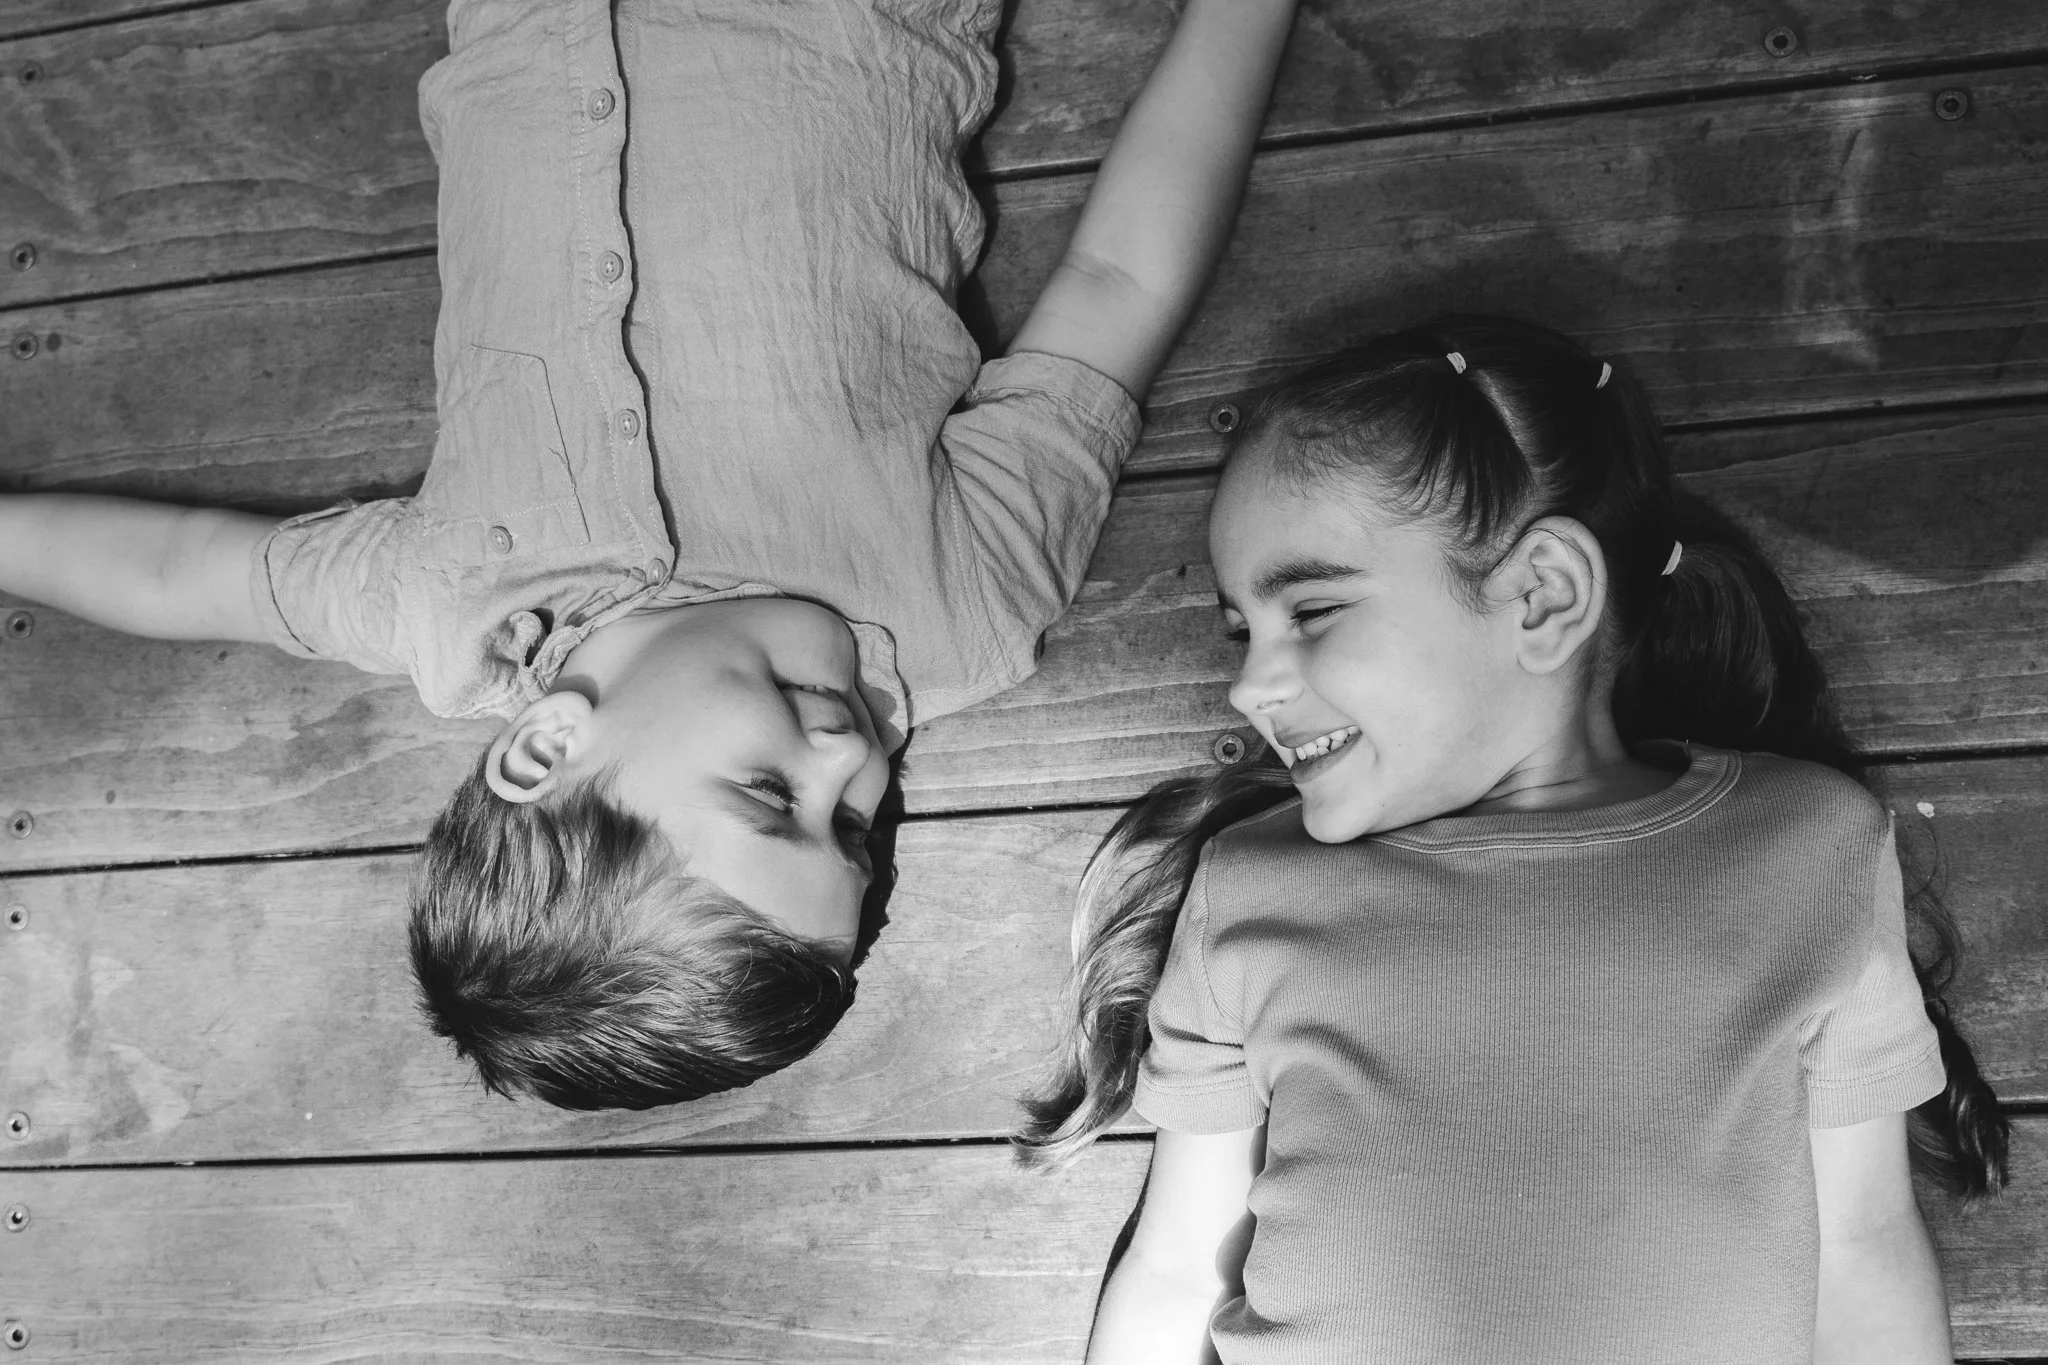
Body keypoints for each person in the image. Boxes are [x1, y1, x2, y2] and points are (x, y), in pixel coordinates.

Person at [0, 0, 1302, 1108]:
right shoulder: (960, 610)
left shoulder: (463, 609)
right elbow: (1122, 284)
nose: (852, 757)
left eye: (765, 796)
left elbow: (187, 579)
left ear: (546, 748)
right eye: (858, 830)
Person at [1015, 316, 2010, 1362]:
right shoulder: (1248, 891)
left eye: (1309, 610)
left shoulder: (1809, 849)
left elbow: (1861, 1245)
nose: (1247, 684)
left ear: (1542, 594)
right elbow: (1179, 1266)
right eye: (1241, 633)